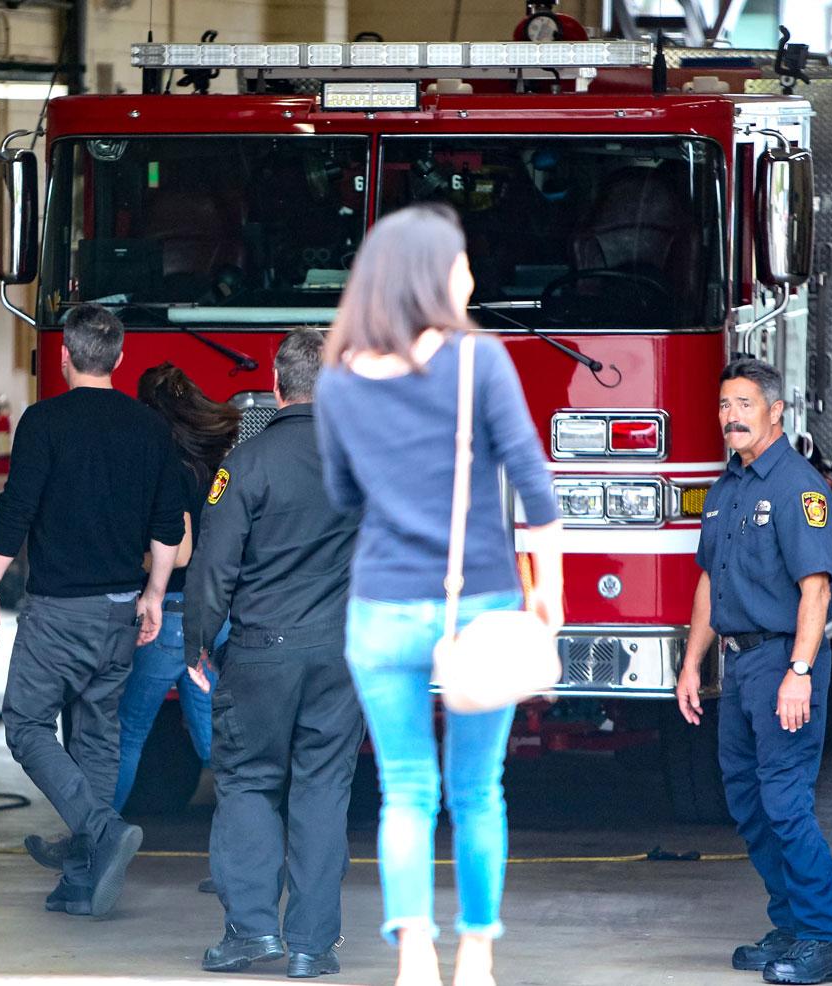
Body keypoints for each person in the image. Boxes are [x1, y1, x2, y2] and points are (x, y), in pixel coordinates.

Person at [314, 203, 563, 986]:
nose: (470, 277)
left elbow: (343, 492)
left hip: (380, 610)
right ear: (431, 276)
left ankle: (415, 956)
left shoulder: (336, 377)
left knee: (405, 790)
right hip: (477, 604)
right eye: (460, 265)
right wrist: (548, 590)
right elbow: (533, 481)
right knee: (476, 790)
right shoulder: (479, 360)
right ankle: (478, 955)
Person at [0, 303, 185, 919]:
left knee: (25, 723)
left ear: (64, 357)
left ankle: (98, 827)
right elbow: (169, 524)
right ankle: (82, 882)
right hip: (122, 608)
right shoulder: (149, 428)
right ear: (120, 360)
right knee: (97, 735)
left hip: (59, 612)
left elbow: (15, 512)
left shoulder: (42, 423)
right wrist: (153, 595)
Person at [184, 329, 363, 979]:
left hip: (261, 655)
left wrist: (197, 643)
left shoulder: (248, 463)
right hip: (342, 657)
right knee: (322, 791)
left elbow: (212, 566)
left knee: (250, 785)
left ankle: (252, 933)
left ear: (276, 383)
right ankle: (313, 947)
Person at [676, 358, 832, 985]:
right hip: (738, 666)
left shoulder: (797, 488)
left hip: (784, 660)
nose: (731, 416)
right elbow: (708, 581)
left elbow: (815, 589)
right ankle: (792, 921)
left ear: (775, 411)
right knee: (749, 802)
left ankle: (827, 936)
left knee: (785, 802)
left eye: (745, 404)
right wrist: (691, 664)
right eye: (725, 405)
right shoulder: (727, 488)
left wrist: (799, 671)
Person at [114, 362, 240, 811]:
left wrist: (131, 559)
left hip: (171, 615)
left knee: (126, 731)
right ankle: (253, 840)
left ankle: (95, 841)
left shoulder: (168, 463)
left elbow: (179, 551)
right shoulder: (213, 463)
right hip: (213, 610)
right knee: (212, 737)